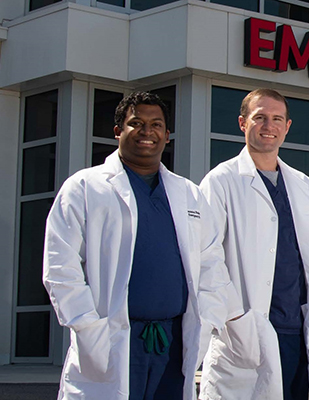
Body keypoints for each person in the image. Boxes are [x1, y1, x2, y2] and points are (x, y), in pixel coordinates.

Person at [43, 91, 243, 400]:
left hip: (174, 341)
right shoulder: (84, 187)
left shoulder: (188, 193)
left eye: (156, 124)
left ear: (166, 135)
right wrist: (88, 328)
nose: (147, 132)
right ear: (118, 131)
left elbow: (211, 263)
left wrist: (209, 319)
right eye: (136, 123)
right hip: (112, 340)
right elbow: (60, 267)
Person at [199, 88, 309, 400]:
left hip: (298, 329)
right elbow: (206, 258)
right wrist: (233, 316)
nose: (268, 126)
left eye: (276, 119)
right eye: (259, 117)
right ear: (242, 123)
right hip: (244, 330)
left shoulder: (304, 186)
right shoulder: (220, 182)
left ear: (287, 126)